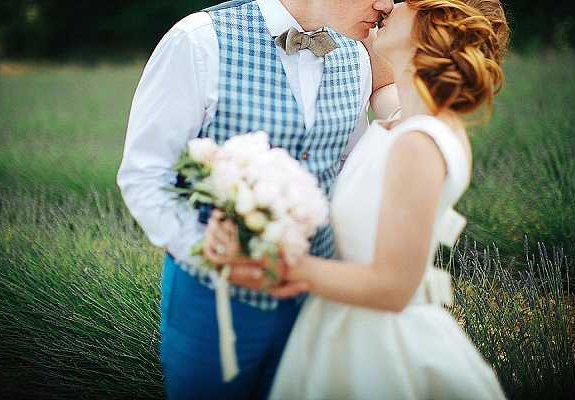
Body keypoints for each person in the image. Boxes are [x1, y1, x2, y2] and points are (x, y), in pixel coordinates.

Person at [206, 0, 511, 398]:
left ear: (431, 23)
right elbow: (384, 90)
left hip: (382, 347)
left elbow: (392, 287)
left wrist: (279, 266)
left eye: (403, 2)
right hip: (340, 324)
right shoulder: (403, 120)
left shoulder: (420, 143)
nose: (388, 4)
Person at [117, 0, 397, 398]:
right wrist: (201, 246)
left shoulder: (357, 55)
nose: (386, 3)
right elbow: (145, 174)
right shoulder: (198, 41)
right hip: (212, 304)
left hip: (317, 305)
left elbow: (348, 171)